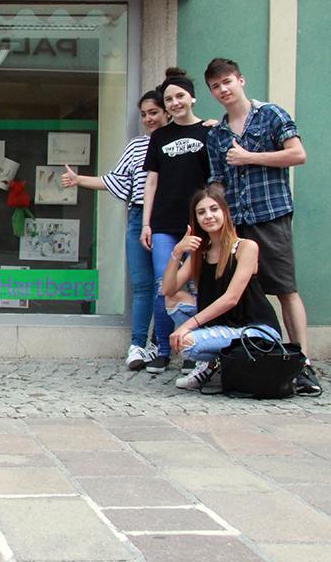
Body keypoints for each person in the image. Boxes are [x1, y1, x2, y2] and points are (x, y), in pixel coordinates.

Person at [203, 58, 318, 394]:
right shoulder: (217, 134)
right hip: (235, 224)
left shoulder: (271, 115)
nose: (223, 89)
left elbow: (297, 155)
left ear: (240, 80)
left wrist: (249, 157)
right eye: (215, 86)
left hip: (271, 216)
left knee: (285, 289)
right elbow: (217, 182)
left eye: (227, 82)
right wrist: (213, 222)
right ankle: (243, 364)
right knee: (238, 295)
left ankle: (303, 365)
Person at [62, 90, 168, 370]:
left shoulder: (175, 143)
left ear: (167, 112)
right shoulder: (137, 146)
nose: (148, 119)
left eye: (154, 112)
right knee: (142, 286)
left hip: (169, 219)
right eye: (144, 114)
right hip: (138, 216)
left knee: (167, 286)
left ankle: (160, 346)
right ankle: (138, 345)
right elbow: (116, 181)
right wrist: (79, 180)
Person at [163, 186, 283, 390]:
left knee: (187, 343)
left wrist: (186, 326)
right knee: (173, 300)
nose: (208, 216)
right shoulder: (201, 253)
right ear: (196, 219)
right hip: (222, 326)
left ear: (225, 212)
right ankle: (211, 365)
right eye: (201, 212)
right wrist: (177, 253)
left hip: (255, 330)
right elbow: (167, 290)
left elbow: (231, 298)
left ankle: (212, 364)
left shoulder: (245, 247)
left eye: (214, 209)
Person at [140, 69, 208, 374]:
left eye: (180, 96)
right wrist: (146, 224)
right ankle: (163, 350)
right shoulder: (160, 137)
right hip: (164, 223)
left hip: (198, 223)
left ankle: (194, 349)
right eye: (169, 99)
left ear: (192, 97)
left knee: (196, 285)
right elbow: (151, 182)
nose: (175, 102)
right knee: (163, 285)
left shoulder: (209, 132)